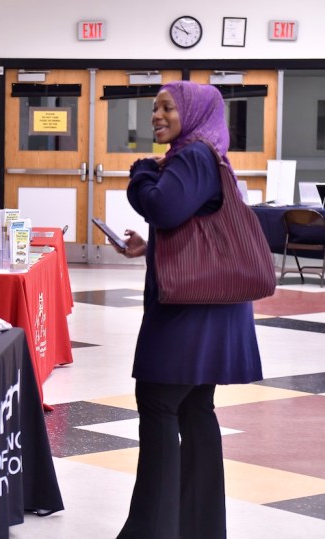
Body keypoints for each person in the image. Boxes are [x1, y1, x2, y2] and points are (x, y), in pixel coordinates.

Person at [115, 81, 263, 539]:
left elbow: (163, 205)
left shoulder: (194, 154)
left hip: (188, 313)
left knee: (159, 402)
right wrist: (150, 248)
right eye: (154, 107)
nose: (156, 115)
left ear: (195, 113)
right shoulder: (206, 153)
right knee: (195, 407)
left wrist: (141, 171)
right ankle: (199, 528)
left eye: (167, 108)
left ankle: (151, 531)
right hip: (210, 306)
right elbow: (189, 223)